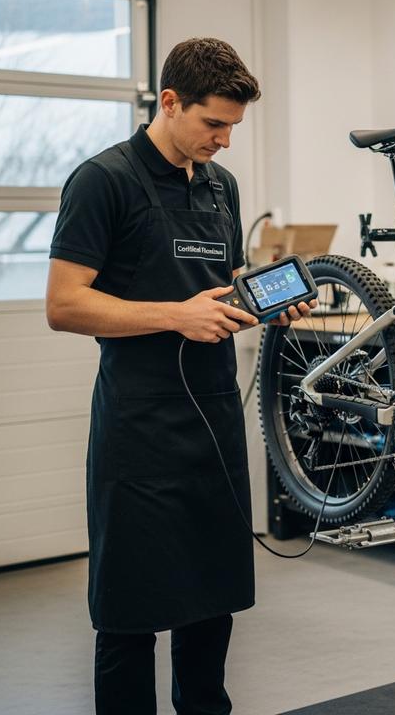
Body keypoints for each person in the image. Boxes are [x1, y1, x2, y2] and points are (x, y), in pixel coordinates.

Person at [46, 37, 312, 714]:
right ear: (170, 102)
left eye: (232, 127)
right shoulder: (102, 181)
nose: (224, 140)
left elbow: (213, 288)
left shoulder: (221, 186)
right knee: (130, 611)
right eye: (213, 124)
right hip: (138, 429)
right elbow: (65, 304)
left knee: (209, 597)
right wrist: (174, 317)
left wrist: (261, 302)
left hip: (214, 420)